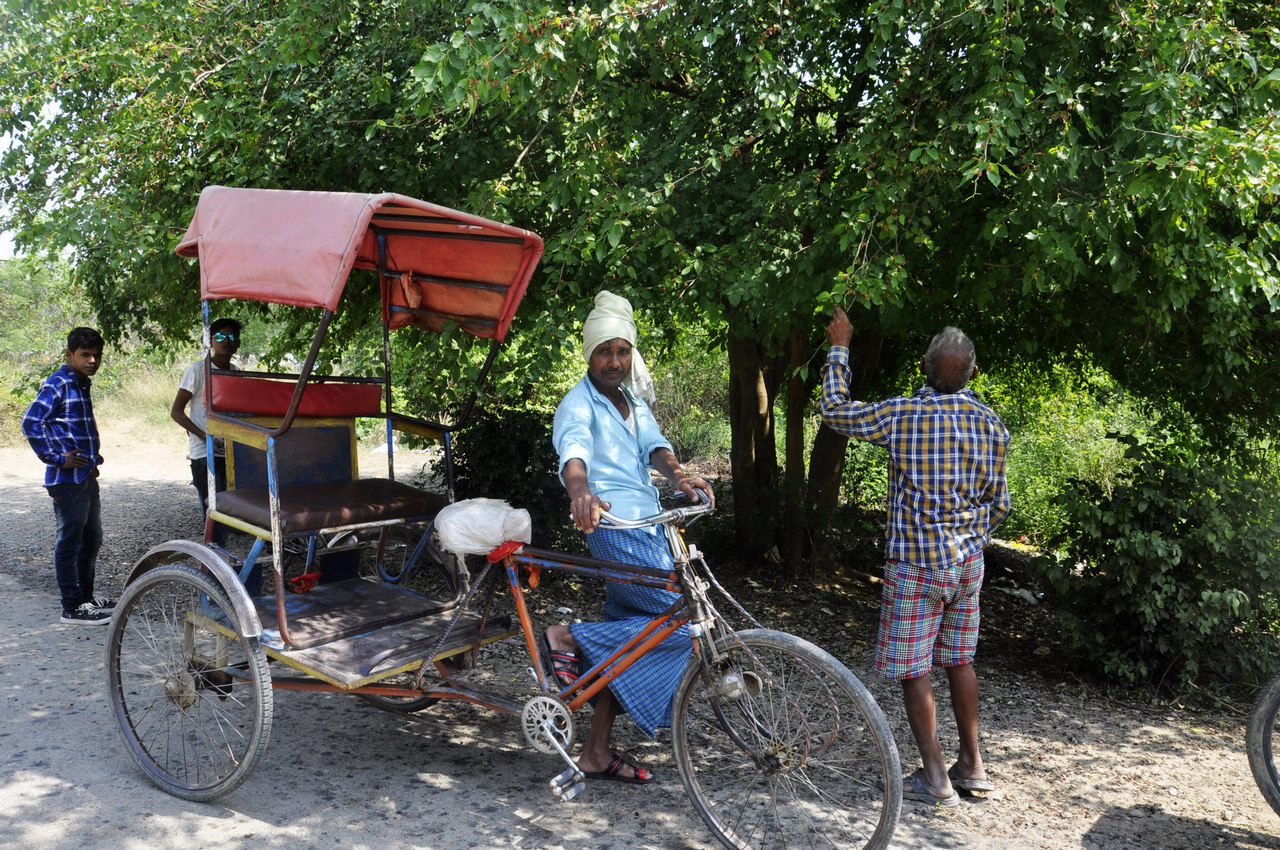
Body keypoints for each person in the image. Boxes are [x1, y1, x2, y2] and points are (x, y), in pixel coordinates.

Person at [820, 306, 1010, 806]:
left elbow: (836, 410)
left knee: (915, 668)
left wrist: (840, 345)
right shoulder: (992, 425)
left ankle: (935, 778)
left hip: (915, 567)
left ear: (925, 369)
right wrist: (970, 537)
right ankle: (972, 765)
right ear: (973, 371)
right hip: (967, 565)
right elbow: (1000, 504)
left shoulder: (902, 414)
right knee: (960, 661)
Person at [545, 290, 714, 785]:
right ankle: (568, 635)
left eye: (622, 351)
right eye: (604, 351)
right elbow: (572, 452)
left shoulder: (632, 400)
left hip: (652, 527)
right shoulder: (579, 403)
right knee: (680, 624)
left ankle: (595, 752)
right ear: (589, 354)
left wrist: (679, 476)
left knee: (630, 647)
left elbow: (655, 447)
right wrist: (580, 493)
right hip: (614, 528)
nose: (614, 361)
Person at [22, 327, 114, 625]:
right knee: (70, 542)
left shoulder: (80, 383)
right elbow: (32, 422)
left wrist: (90, 460)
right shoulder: (59, 383)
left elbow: (75, 428)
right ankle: (72, 606)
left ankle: (86, 599)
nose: (92, 361)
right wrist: (58, 458)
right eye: (85, 355)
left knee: (91, 538)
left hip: (85, 476)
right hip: (66, 480)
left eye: (96, 356)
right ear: (70, 355)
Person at [170, 318, 241, 547]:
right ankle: (213, 565)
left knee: (234, 511)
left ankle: (224, 562)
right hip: (205, 453)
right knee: (213, 512)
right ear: (211, 341)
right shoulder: (198, 370)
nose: (226, 341)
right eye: (220, 336)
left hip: (231, 453)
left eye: (231, 337)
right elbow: (177, 412)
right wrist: (205, 437)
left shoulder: (236, 373)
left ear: (238, 344)